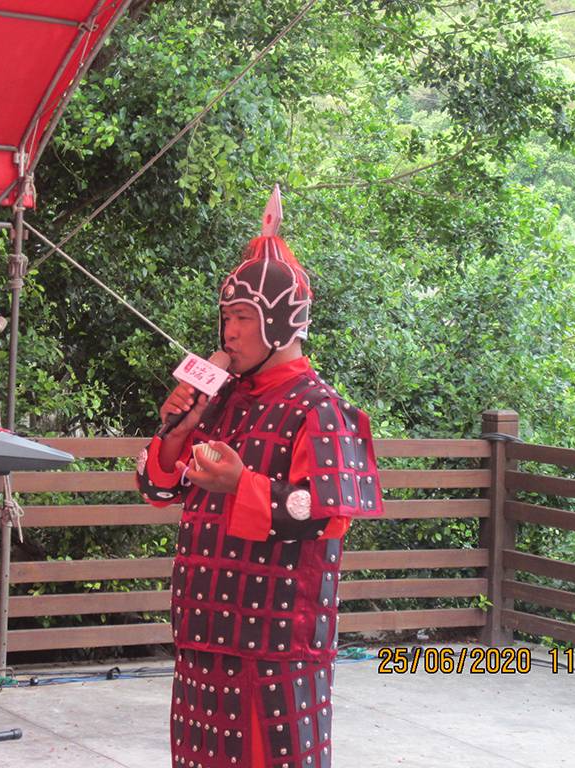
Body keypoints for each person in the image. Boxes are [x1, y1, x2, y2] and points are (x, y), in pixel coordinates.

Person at [136, 187, 384, 768]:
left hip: (275, 647)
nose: (229, 334)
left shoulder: (321, 408)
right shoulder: (221, 401)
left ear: (279, 322)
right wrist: (178, 429)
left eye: (244, 318)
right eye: (226, 318)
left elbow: (325, 516)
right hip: (203, 637)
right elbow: (158, 488)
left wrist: (239, 486)